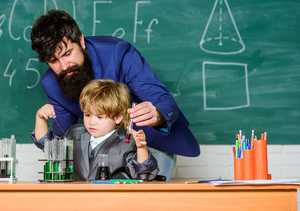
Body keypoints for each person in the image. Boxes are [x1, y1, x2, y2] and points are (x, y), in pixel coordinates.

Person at [30, 10, 200, 181]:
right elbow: (64, 141)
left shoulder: (118, 53)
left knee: (146, 201)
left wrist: (157, 114)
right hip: (103, 151)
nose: (64, 66)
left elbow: (164, 101)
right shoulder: (51, 83)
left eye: (67, 54)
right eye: (53, 61)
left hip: (147, 142)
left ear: (81, 41)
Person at [31, 79, 159, 181]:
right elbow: (47, 144)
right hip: (76, 201)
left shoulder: (127, 142)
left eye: (99, 117)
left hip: (112, 203)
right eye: (87, 115)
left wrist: (141, 148)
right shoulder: (74, 133)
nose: (92, 122)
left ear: (118, 118)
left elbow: (143, 174)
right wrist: (40, 118)